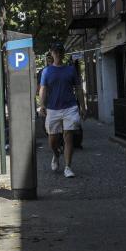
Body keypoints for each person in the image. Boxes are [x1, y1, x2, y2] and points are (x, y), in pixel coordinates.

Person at [38, 43, 85, 178]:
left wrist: (82, 106)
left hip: (70, 107)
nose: (58, 54)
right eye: (55, 51)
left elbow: (78, 89)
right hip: (53, 109)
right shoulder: (46, 71)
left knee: (68, 137)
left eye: (60, 51)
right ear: (52, 53)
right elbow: (43, 89)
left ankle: (68, 167)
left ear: (63, 53)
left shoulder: (70, 70)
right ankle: (55, 154)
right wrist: (42, 106)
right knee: (53, 139)